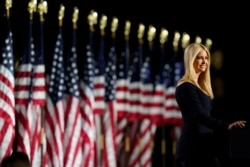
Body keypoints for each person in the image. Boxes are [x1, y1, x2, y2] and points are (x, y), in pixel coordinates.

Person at [174, 43, 246, 167]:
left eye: (206, 58)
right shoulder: (186, 86)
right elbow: (199, 115)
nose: (204, 61)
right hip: (192, 148)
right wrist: (226, 125)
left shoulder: (201, 87)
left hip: (206, 147)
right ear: (190, 59)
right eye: (199, 57)